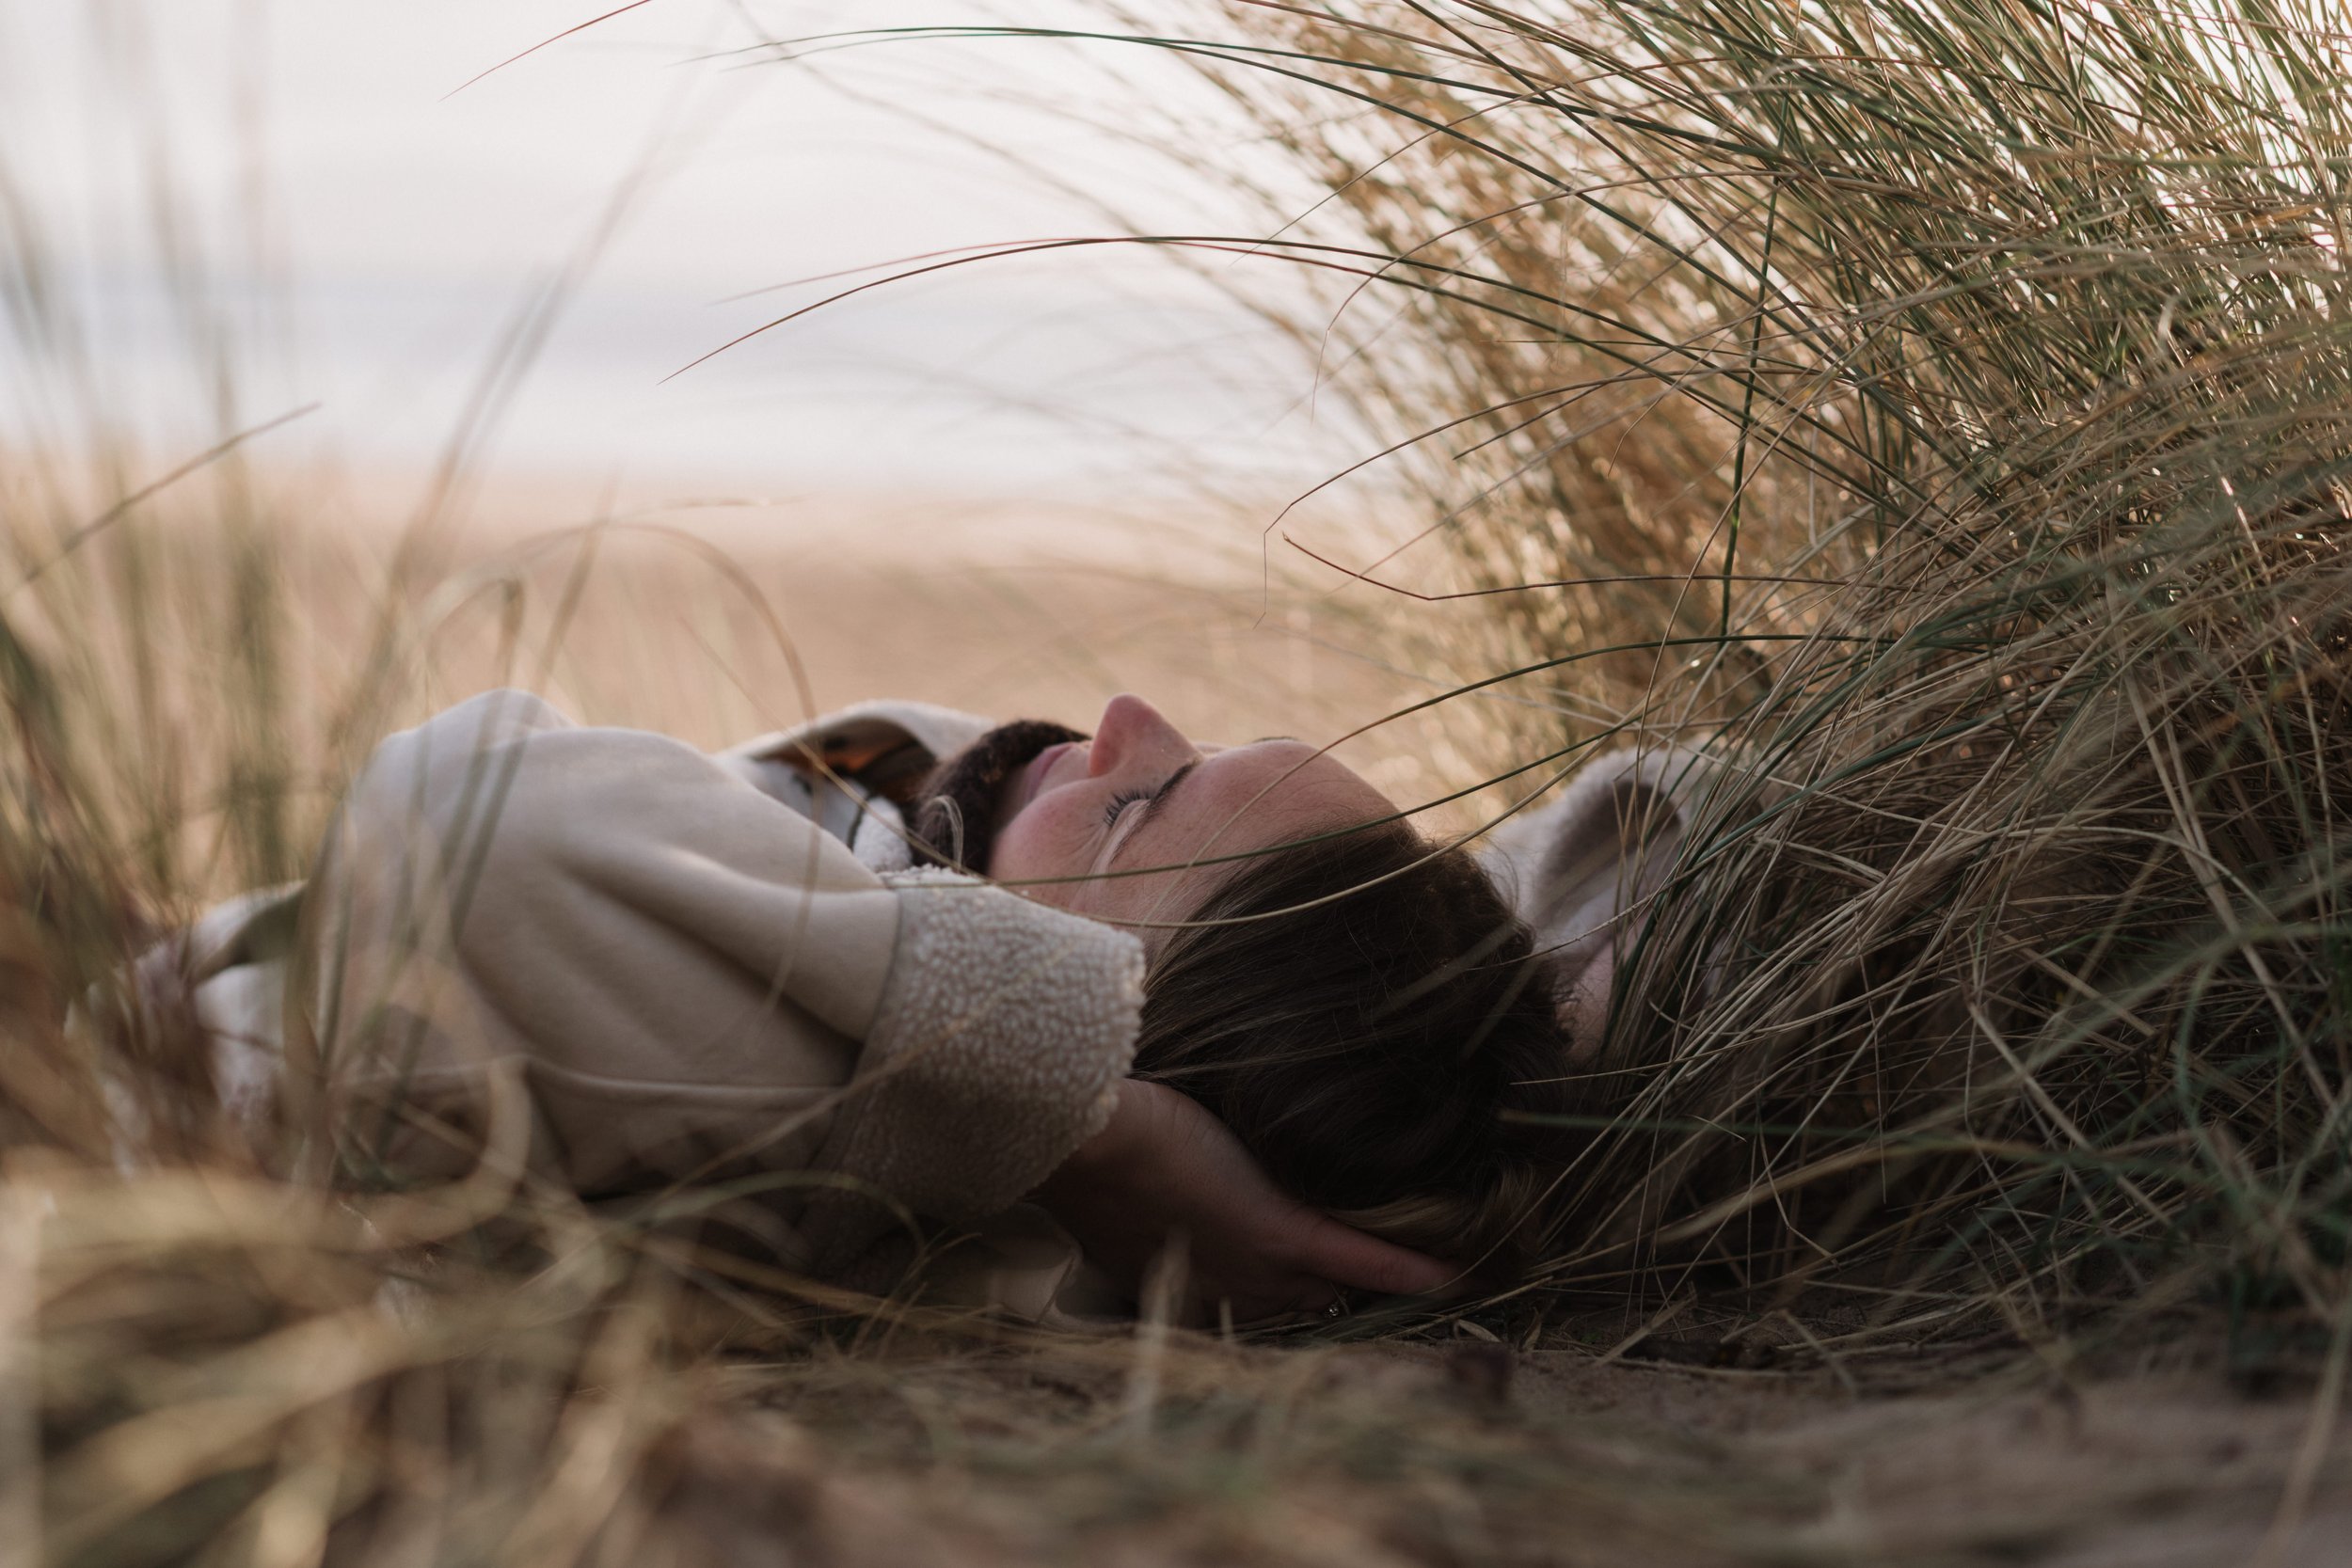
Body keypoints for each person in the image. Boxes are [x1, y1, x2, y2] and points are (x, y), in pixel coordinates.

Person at [126, 687, 1575, 1324]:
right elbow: (1668, 821)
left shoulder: (827, 1109)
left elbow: (456, 812)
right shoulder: (977, 833)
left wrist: (1085, 1127)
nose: (1118, 718)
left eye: (1130, 817)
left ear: (1091, 1027)